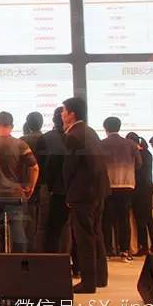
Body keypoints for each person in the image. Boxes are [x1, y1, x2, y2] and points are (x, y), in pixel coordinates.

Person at [61, 97, 109, 294]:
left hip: (82, 193)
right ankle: (100, 277)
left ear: (72, 114)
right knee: (96, 233)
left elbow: (69, 168)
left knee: (84, 237)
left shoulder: (73, 135)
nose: (62, 114)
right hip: (98, 190)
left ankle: (88, 282)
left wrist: (68, 193)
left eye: (64, 111)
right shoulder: (90, 131)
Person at [0, 112, 39, 254]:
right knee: (18, 232)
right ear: (12, 126)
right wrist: (31, 187)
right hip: (15, 195)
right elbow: (35, 168)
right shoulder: (20, 145)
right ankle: (19, 263)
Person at [101, 117, 141, 261]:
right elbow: (139, 163)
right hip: (126, 185)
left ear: (105, 128)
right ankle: (124, 251)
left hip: (108, 185)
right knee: (124, 219)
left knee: (106, 219)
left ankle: (107, 251)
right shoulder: (131, 144)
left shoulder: (101, 144)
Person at [38, 107, 69, 254]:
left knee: (49, 227)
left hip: (51, 189)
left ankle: (51, 260)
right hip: (73, 189)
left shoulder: (45, 138)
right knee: (72, 229)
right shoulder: (76, 137)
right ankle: (72, 261)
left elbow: (41, 166)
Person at [126, 133, 153, 256]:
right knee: (149, 219)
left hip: (138, 191)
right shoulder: (147, 153)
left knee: (140, 221)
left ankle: (143, 247)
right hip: (148, 190)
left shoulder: (137, 154)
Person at [20, 111, 45, 252]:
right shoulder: (47, 139)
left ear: (28, 124)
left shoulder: (22, 140)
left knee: (28, 220)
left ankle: (28, 250)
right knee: (43, 220)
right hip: (45, 184)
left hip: (27, 184)